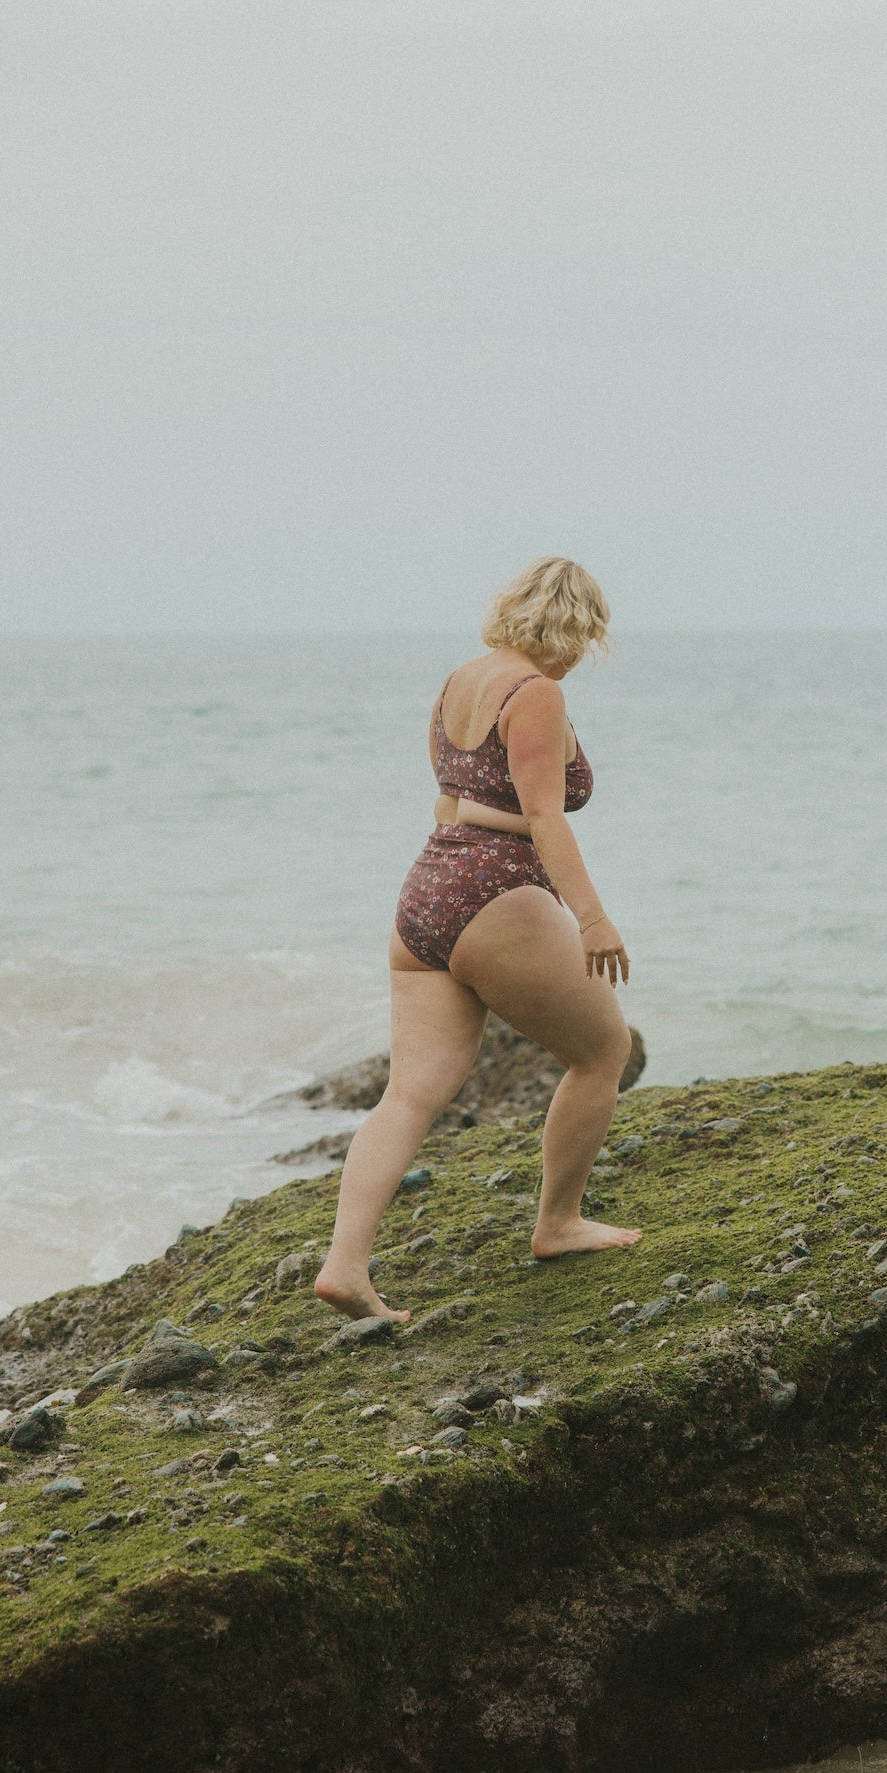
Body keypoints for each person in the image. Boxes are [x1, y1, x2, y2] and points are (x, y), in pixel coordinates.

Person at [315, 557, 640, 1323]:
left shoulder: (458, 682)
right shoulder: (537, 691)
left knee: (408, 1093)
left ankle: (344, 1265)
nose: (579, 656)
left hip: (426, 890)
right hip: (496, 896)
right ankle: (558, 1222)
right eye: (584, 637)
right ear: (571, 626)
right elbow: (545, 816)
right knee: (602, 1052)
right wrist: (592, 916)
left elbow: (453, 800)